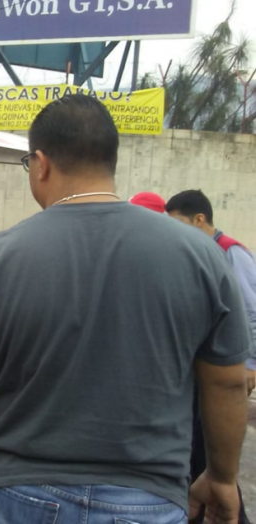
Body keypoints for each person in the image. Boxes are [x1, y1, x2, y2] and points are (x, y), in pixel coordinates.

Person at [0, 95, 252, 524]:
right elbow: (227, 385)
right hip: (149, 496)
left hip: (20, 494)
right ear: (110, 160)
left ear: (40, 163)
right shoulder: (201, 256)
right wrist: (222, 477)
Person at [165, 189, 255, 524]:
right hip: (200, 374)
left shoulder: (230, 253)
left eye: (178, 223)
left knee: (215, 451)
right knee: (200, 453)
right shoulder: (198, 252)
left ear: (199, 219)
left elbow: (250, 313)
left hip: (226, 371)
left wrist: (250, 364)